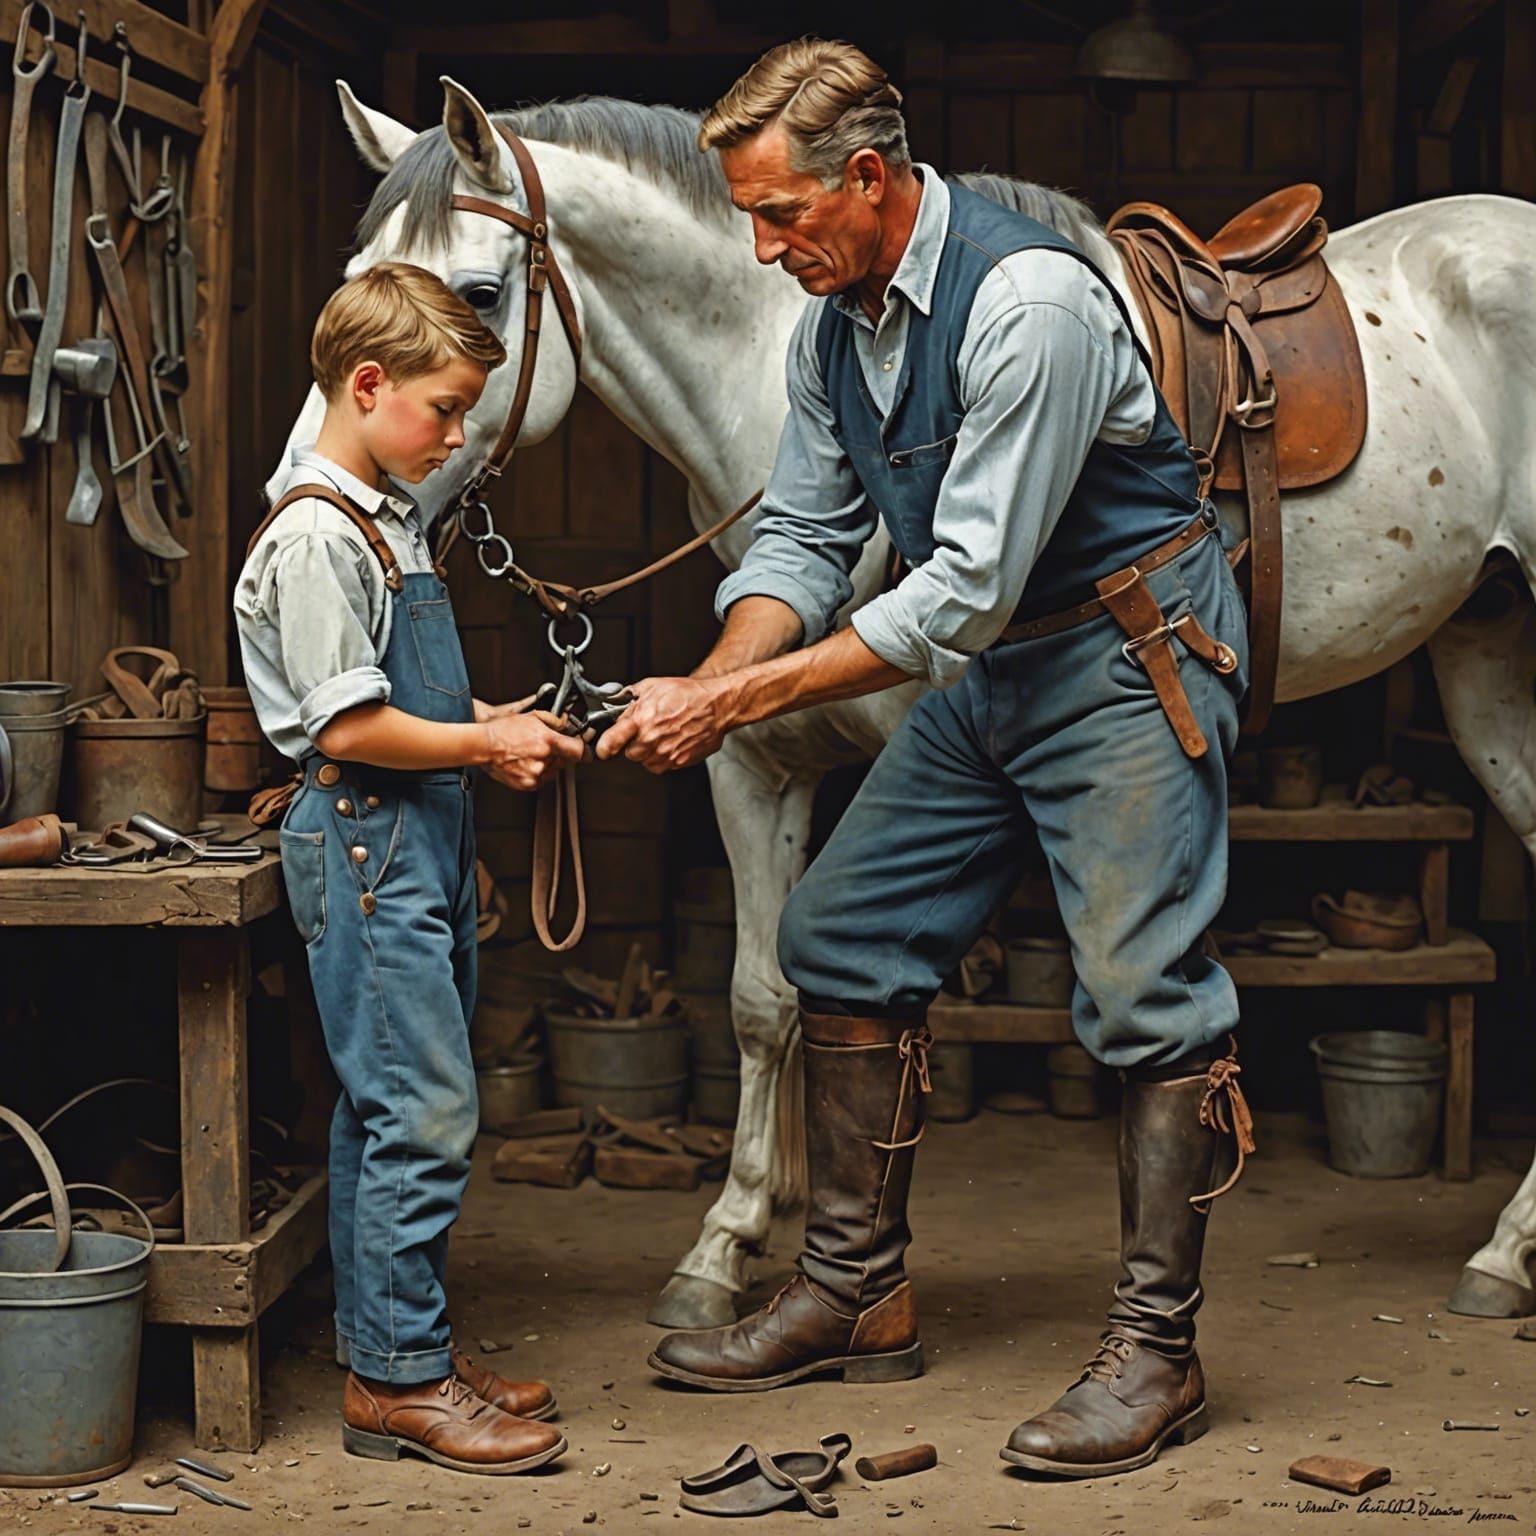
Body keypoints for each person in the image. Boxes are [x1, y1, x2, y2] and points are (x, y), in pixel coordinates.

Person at [598, 40, 1256, 1478]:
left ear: (870, 178)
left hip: (1123, 648)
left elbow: (956, 591)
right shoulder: (834, 325)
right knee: (841, 935)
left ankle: (1159, 1352)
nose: (765, 250)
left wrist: (729, 707)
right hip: (1003, 664)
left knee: (1149, 994)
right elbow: (805, 537)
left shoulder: (1027, 303)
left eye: (782, 216)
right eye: (751, 221)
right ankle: (855, 1288)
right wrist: (714, 680)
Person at [234, 262, 585, 1474]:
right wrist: (484, 742)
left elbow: (394, 691)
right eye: (442, 409)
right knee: (419, 1110)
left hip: (416, 832)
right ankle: (398, 1382)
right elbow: (345, 728)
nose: (453, 437)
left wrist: (486, 719)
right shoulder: (321, 533)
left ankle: (400, 1343)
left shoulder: (383, 513)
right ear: (369, 384)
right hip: (368, 834)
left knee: (391, 1106)